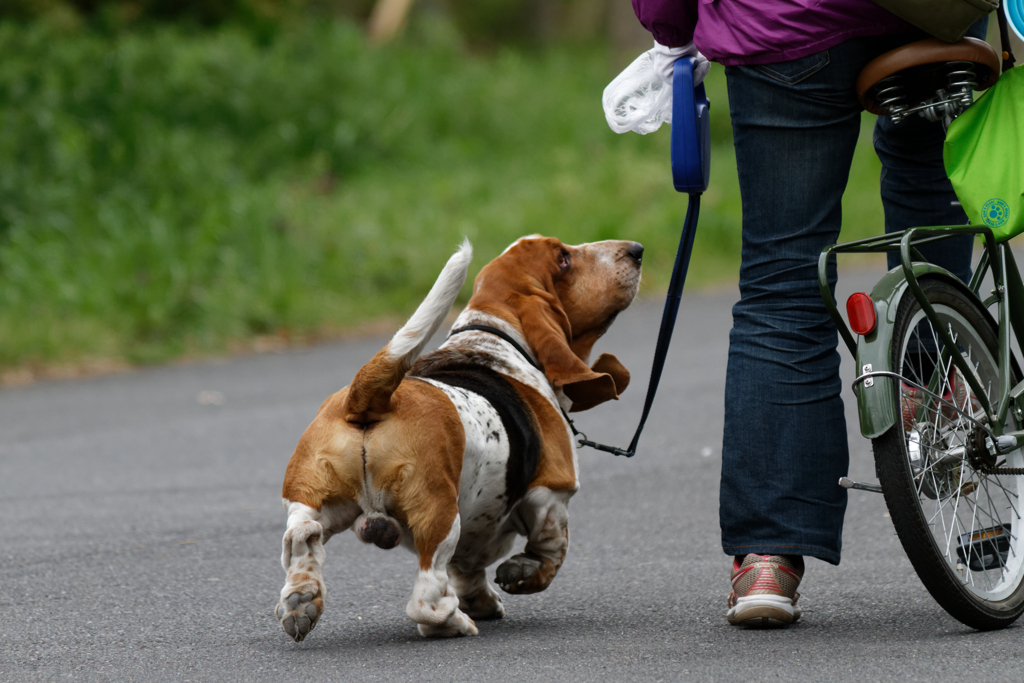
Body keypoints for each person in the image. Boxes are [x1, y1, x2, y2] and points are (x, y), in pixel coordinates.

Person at [611, 0, 986, 626]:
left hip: (786, 22)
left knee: (783, 280)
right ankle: (938, 393)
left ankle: (769, 556)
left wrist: (673, 29)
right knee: (929, 191)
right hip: (934, 11)